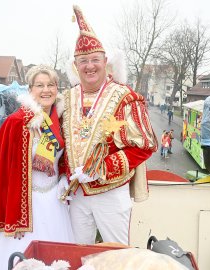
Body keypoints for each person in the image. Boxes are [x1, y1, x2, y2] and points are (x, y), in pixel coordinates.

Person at [59, 5, 158, 245]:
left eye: (95, 59)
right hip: (76, 195)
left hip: (111, 194)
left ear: (105, 61)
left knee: (117, 255)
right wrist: (64, 172)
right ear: (75, 65)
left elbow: (145, 145)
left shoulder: (125, 97)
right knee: (77, 252)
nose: (89, 66)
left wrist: (101, 168)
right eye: (83, 61)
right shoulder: (66, 98)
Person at [0, 65, 74, 270]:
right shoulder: (16, 123)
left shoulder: (61, 121)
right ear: (30, 90)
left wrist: (64, 177)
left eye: (50, 85)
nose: (46, 90)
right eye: (40, 85)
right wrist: (13, 216)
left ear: (57, 88)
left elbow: (64, 160)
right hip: (24, 207)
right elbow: (2, 174)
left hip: (55, 203)